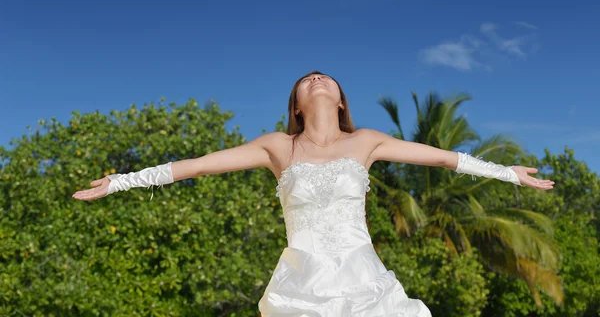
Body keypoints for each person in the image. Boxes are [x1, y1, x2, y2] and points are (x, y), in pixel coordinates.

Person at [72, 70, 555, 316]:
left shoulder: (366, 142)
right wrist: (122, 181)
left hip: (364, 280)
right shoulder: (276, 146)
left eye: (325, 77)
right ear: (298, 105)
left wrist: (509, 174)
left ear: (340, 100)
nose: (317, 78)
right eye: (307, 80)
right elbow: (196, 167)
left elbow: (444, 158)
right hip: (301, 282)